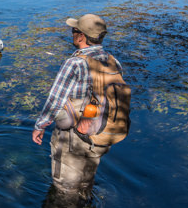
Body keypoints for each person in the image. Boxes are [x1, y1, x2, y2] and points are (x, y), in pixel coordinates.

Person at [31, 13, 121, 193]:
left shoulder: (74, 63)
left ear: (81, 36)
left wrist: (40, 126)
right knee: (86, 181)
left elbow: (55, 100)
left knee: (65, 187)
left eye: (74, 30)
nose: (72, 34)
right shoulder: (113, 62)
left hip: (74, 137)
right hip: (100, 134)